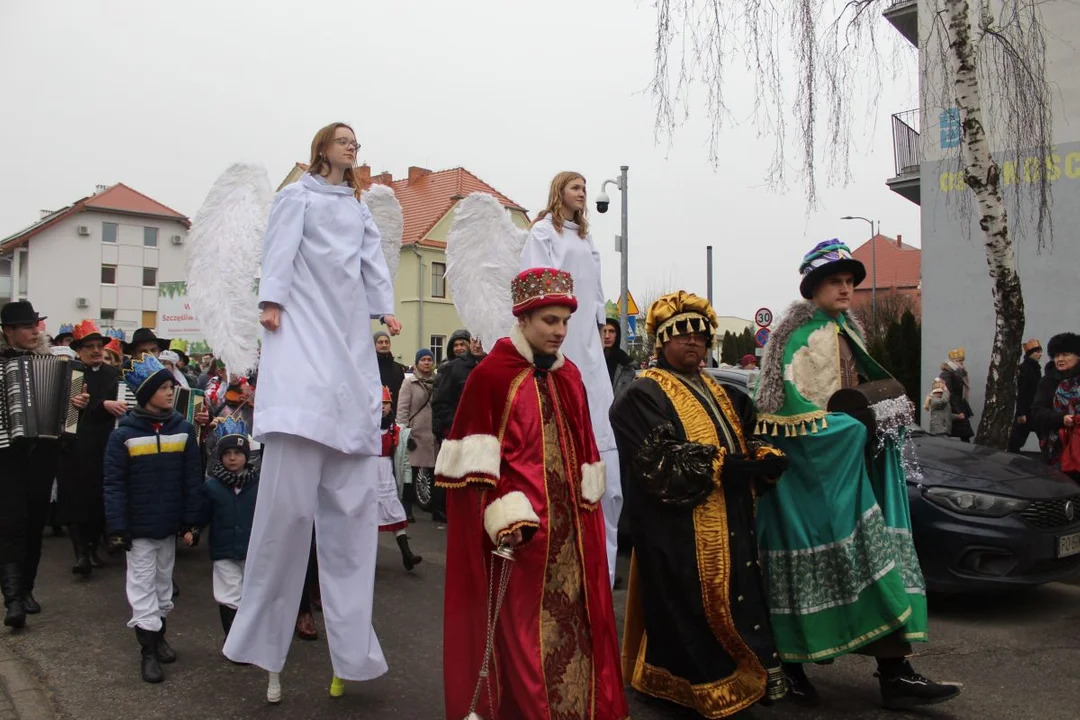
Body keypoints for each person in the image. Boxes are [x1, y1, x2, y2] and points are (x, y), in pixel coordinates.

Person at [223, 122, 399, 696]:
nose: (353, 146)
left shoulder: (357, 208)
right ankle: (266, 653)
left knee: (352, 522)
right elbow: (280, 248)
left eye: (357, 142)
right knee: (288, 518)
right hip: (303, 337)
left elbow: (373, 261)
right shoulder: (296, 197)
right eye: (343, 139)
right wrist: (271, 300)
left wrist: (385, 309)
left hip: (348, 349)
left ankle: (351, 655)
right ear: (322, 147)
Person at [754, 240, 958, 710]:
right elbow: (784, 414)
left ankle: (895, 673)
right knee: (811, 571)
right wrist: (851, 427)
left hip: (854, 477)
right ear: (813, 288)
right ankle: (791, 667)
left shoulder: (850, 330)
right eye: (835, 282)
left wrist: (884, 416)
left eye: (849, 282)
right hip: (810, 486)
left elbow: (863, 391)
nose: (845, 289)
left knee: (879, 567)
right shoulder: (796, 337)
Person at [436, 268, 628, 720]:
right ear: (523, 319)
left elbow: (584, 452)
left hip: (573, 545)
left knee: (578, 635)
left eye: (565, 321)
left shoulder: (571, 376)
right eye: (549, 321)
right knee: (525, 642)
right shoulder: (491, 377)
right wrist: (505, 513)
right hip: (523, 544)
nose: (560, 331)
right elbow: (469, 472)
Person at [610, 291, 788, 718]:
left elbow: (746, 434)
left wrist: (761, 458)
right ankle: (695, 689)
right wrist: (722, 467)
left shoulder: (720, 389)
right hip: (677, 528)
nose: (693, 343)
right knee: (687, 607)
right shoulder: (643, 394)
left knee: (738, 597)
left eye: (700, 337)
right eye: (682, 335)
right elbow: (657, 459)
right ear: (662, 341)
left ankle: (738, 679)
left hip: (730, 518)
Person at [521, 171, 622, 587]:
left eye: (585, 187)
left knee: (597, 408)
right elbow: (536, 278)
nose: (582, 193)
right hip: (560, 327)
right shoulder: (544, 231)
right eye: (576, 187)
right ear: (559, 191)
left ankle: (605, 566)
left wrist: (600, 321)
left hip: (586, 338)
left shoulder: (585, 237)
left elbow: (596, 288)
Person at [103, 354, 203, 683]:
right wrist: (117, 527)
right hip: (139, 528)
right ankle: (148, 652)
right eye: (163, 387)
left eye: (171, 385)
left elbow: (192, 480)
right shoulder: (123, 436)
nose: (170, 391)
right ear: (146, 394)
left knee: (163, 585)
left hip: (168, 525)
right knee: (142, 586)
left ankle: (159, 638)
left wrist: (191, 521)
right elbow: (114, 485)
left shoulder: (184, 431)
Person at [0, 301, 62, 629]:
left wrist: (74, 404)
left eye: (35, 325)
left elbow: (65, 413)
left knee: (36, 522)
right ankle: (11, 598)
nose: (34, 331)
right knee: (11, 523)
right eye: (26, 326)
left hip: (42, 452)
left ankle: (26, 589)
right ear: (7, 331)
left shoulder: (50, 362)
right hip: (6, 454)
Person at [189, 418, 259, 653]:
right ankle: (233, 641)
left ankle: (249, 638)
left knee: (250, 593)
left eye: (237, 453)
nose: (232, 458)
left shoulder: (258, 484)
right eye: (227, 453)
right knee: (229, 594)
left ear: (246, 456)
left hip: (251, 548)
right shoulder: (212, 487)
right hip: (224, 549)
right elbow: (202, 513)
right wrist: (193, 529)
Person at [63, 320, 125, 576]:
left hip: (105, 443)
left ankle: (91, 548)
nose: (96, 350)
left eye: (99, 346)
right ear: (79, 350)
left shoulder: (114, 375)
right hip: (75, 445)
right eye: (90, 346)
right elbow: (70, 412)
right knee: (77, 500)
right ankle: (81, 553)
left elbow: (120, 408)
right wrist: (102, 405)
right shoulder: (72, 372)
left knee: (100, 498)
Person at [374, 386, 422, 572]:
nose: (383, 407)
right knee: (369, 516)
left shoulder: (394, 428)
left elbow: (400, 453)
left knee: (394, 511)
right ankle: (367, 558)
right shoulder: (366, 426)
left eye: (386, 403)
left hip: (386, 474)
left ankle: (406, 554)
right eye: (380, 403)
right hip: (368, 474)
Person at [397, 349, 439, 522]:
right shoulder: (410, 383)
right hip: (415, 434)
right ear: (416, 363)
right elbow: (402, 409)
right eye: (423, 360)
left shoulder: (437, 381)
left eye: (429, 359)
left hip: (432, 434)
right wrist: (404, 433)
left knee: (434, 473)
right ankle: (406, 510)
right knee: (410, 474)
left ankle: (436, 508)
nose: (427, 363)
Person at [1031, 332, 1080, 478]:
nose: (1060, 359)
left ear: (1078, 356)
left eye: (1065, 355)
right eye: (1056, 356)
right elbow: (1037, 411)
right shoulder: (1048, 381)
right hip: (1057, 446)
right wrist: (1062, 418)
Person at [431, 336, 485, 442]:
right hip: (461, 436)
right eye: (474, 341)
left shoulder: (494, 366)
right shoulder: (454, 367)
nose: (478, 346)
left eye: (481, 342)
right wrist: (455, 426)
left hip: (488, 436)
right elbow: (440, 403)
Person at [1009, 339, 1043, 453]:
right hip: (1027, 410)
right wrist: (1021, 413)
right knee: (1017, 438)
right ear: (1030, 354)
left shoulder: (1035, 368)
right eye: (1037, 352)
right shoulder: (1025, 369)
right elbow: (1021, 392)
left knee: (1043, 436)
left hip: (1034, 409)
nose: (1040, 355)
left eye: (1040, 352)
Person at [939, 348, 975, 442]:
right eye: (958, 361)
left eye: (962, 360)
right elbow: (948, 392)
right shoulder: (947, 373)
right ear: (952, 362)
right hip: (954, 406)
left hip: (960, 405)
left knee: (963, 433)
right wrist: (955, 410)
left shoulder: (959, 372)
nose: (961, 363)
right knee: (958, 432)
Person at [602, 317, 635, 399]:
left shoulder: (626, 364)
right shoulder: (591, 361)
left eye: (611, 331)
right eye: (604, 331)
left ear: (617, 334)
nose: (607, 336)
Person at [374, 330, 406, 414]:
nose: (384, 345)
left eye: (386, 342)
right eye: (380, 342)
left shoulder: (398, 368)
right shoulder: (368, 368)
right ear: (374, 345)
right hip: (374, 413)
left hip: (395, 414)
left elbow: (403, 394)